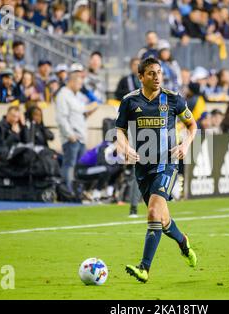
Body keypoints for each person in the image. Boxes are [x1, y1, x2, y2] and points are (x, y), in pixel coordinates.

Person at [116, 57, 198, 283]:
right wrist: (125, 148)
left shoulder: (173, 99)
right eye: (151, 73)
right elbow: (119, 130)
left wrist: (185, 144)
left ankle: (144, 268)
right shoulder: (130, 101)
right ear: (140, 77)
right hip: (142, 168)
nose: (157, 77)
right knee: (162, 220)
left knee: (153, 212)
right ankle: (183, 241)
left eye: (159, 73)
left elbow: (192, 125)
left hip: (167, 163)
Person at [55, 68, 98, 192]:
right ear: (72, 82)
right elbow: (61, 117)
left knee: (79, 167)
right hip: (72, 138)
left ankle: (76, 192)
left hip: (81, 138)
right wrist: (70, 135)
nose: (80, 87)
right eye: (79, 83)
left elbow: (79, 114)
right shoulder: (63, 95)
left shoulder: (76, 97)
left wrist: (91, 110)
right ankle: (67, 192)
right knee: (69, 165)